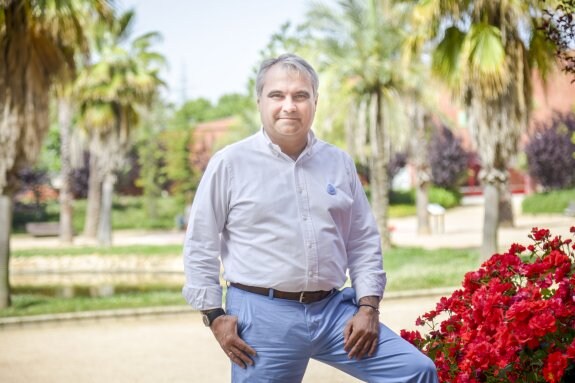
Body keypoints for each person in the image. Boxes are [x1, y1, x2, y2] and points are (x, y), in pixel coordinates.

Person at [182, 53, 438, 382]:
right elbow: (201, 243)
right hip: (261, 316)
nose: (289, 105)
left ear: (315, 101)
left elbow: (362, 240)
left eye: (300, 96)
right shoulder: (229, 163)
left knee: (416, 371)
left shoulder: (338, 162)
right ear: (259, 100)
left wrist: (368, 308)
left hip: (334, 313)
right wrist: (214, 314)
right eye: (277, 95)